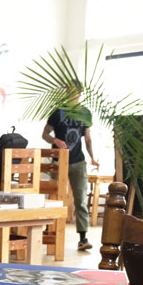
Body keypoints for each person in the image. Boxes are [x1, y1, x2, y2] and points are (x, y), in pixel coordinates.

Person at [42, 99, 99, 251]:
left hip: (78, 162)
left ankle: (83, 238)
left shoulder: (84, 113)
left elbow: (87, 138)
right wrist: (55, 140)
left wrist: (92, 157)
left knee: (81, 198)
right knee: (54, 198)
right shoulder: (58, 111)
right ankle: (50, 232)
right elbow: (45, 134)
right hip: (58, 161)